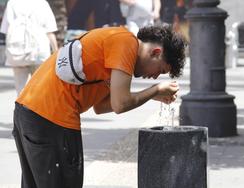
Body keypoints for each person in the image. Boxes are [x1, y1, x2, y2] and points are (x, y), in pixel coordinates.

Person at [13, 25, 186, 188]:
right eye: (161, 70)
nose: (155, 77)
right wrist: (155, 90)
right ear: (156, 52)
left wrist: (152, 95)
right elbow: (120, 104)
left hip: (29, 110)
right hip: (52, 117)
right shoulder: (126, 43)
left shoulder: (117, 44)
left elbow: (102, 106)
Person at [0, 0, 58, 95]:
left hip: (17, 49)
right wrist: (55, 52)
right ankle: (35, 108)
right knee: (39, 88)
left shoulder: (12, 3)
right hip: (40, 49)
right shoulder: (42, 3)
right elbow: (50, 31)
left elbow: (5, 28)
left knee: (21, 89)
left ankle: (21, 108)